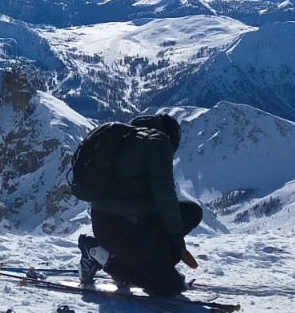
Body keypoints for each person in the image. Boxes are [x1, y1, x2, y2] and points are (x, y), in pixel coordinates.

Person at [80, 113, 203, 296]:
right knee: (170, 287)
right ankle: (103, 256)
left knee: (191, 212)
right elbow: (165, 197)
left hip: (111, 223)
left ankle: (136, 261)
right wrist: (178, 241)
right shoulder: (157, 142)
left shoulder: (126, 139)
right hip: (122, 229)